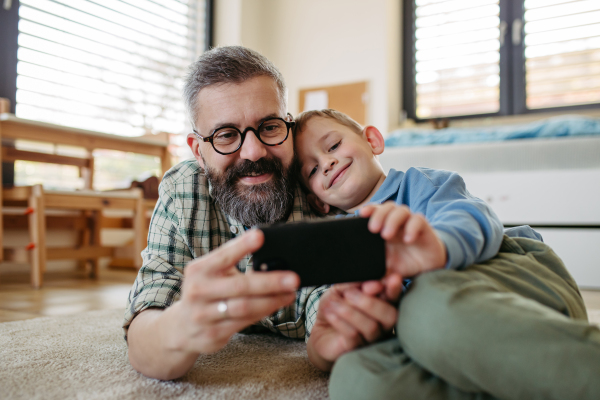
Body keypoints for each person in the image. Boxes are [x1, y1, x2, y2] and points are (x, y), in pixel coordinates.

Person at [123, 46, 402, 381]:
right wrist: (178, 325)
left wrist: (336, 329)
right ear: (198, 151)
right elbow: (148, 318)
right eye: (226, 135)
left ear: (289, 124)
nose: (254, 151)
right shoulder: (183, 192)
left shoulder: (321, 182)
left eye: (269, 127)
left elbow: (327, 297)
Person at [293, 109, 600, 400]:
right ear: (317, 201)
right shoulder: (341, 242)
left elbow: (473, 218)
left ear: (372, 140)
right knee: (356, 376)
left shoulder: (419, 183)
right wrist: (324, 351)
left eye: (333, 146)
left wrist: (437, 246)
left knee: (423, 306)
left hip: (513, 278)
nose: (328, 163)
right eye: (314, 169)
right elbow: (343, 313)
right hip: (451, 340)